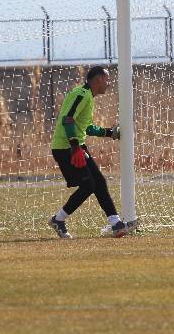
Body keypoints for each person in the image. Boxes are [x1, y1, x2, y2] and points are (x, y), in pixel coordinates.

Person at [48, 66, 130, 239]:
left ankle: (116, 223)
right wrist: (75, 147)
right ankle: (58, 219)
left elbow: (85, 127)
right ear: (98, 79)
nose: (108, 84)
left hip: (76, 146)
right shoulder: (82, 94)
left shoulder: (88, 96)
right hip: (66, 148)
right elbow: (67, 119)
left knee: (98, 181)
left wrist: (109, 133)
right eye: (107, 79)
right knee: (88, 185)